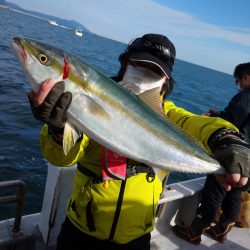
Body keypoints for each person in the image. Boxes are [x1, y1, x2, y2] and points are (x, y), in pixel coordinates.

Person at [28, 34, 250, 250]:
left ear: (165, 81)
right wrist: (58, 128)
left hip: (137, 236)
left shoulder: (169, 116)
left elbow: (201, 124)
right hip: (82, 230)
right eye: (138, 64)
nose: (145, 74)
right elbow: (60, 158)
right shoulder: (90, 101)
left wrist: (226, 137)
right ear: (125, 64)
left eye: (155, 71)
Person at [172, 62, 250, 244]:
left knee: (215, 188)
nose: (239, 85)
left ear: (246, 77)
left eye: (239, 81)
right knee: (235, 191)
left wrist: (214, 118)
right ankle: (222, 229)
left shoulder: (245, 96)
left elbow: (231, 122)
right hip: (247, 158)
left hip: (232, 150)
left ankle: (195, 230)